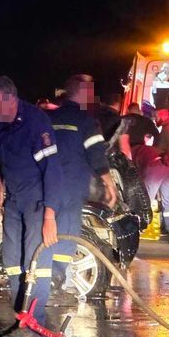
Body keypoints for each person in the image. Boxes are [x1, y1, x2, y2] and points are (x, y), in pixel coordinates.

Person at [0, 75, 62, 337]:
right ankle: (21, 319)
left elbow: (53, 170)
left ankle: (34, 325)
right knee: (12, 261)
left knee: (36, 263)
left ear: (12, 99)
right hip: (14, 199)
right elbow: (1, 156)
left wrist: (50, 215)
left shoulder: (35, 122)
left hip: (38, 201)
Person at [48, 74, 117, 284]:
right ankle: (58, 280)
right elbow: (96, 154)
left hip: (46, 186)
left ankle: (43, 277)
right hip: (71, 187)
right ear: (84, 93)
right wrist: (109, 182)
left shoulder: (48, 119)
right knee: (67, 232)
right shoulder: (85, 121)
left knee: (47, 232)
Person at [142, 107, 169, 243]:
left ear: (162, 116)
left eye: (156, 117)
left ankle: (140, 229)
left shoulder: (167, 130)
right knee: (167, 200)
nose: (155, 120)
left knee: (147, 197)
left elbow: (157, 149)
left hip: (159, 167)